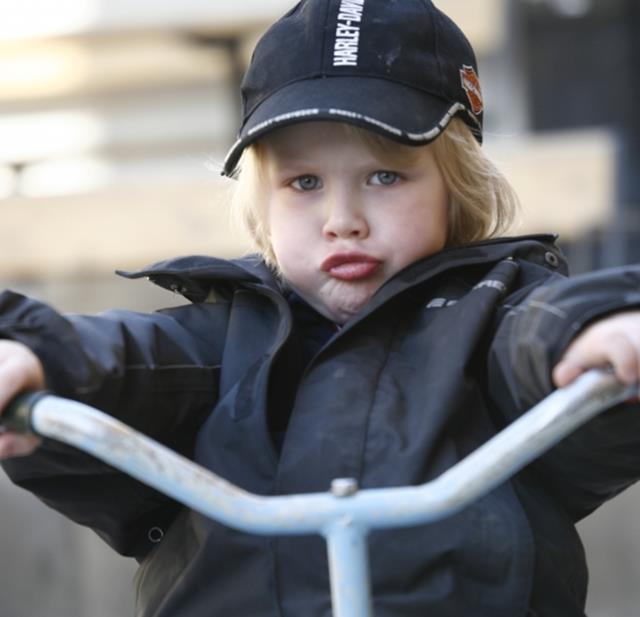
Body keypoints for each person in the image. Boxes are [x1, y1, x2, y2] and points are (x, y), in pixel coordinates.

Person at [1, 0, 640, 615]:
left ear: (458, 191)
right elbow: (129, 362)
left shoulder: (494, 316)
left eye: (384, 176)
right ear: (264, 205)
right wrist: (37, 355)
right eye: (304, 183)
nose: (343, 221)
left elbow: (537, 333)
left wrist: (595, 329)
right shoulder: (219, 341)